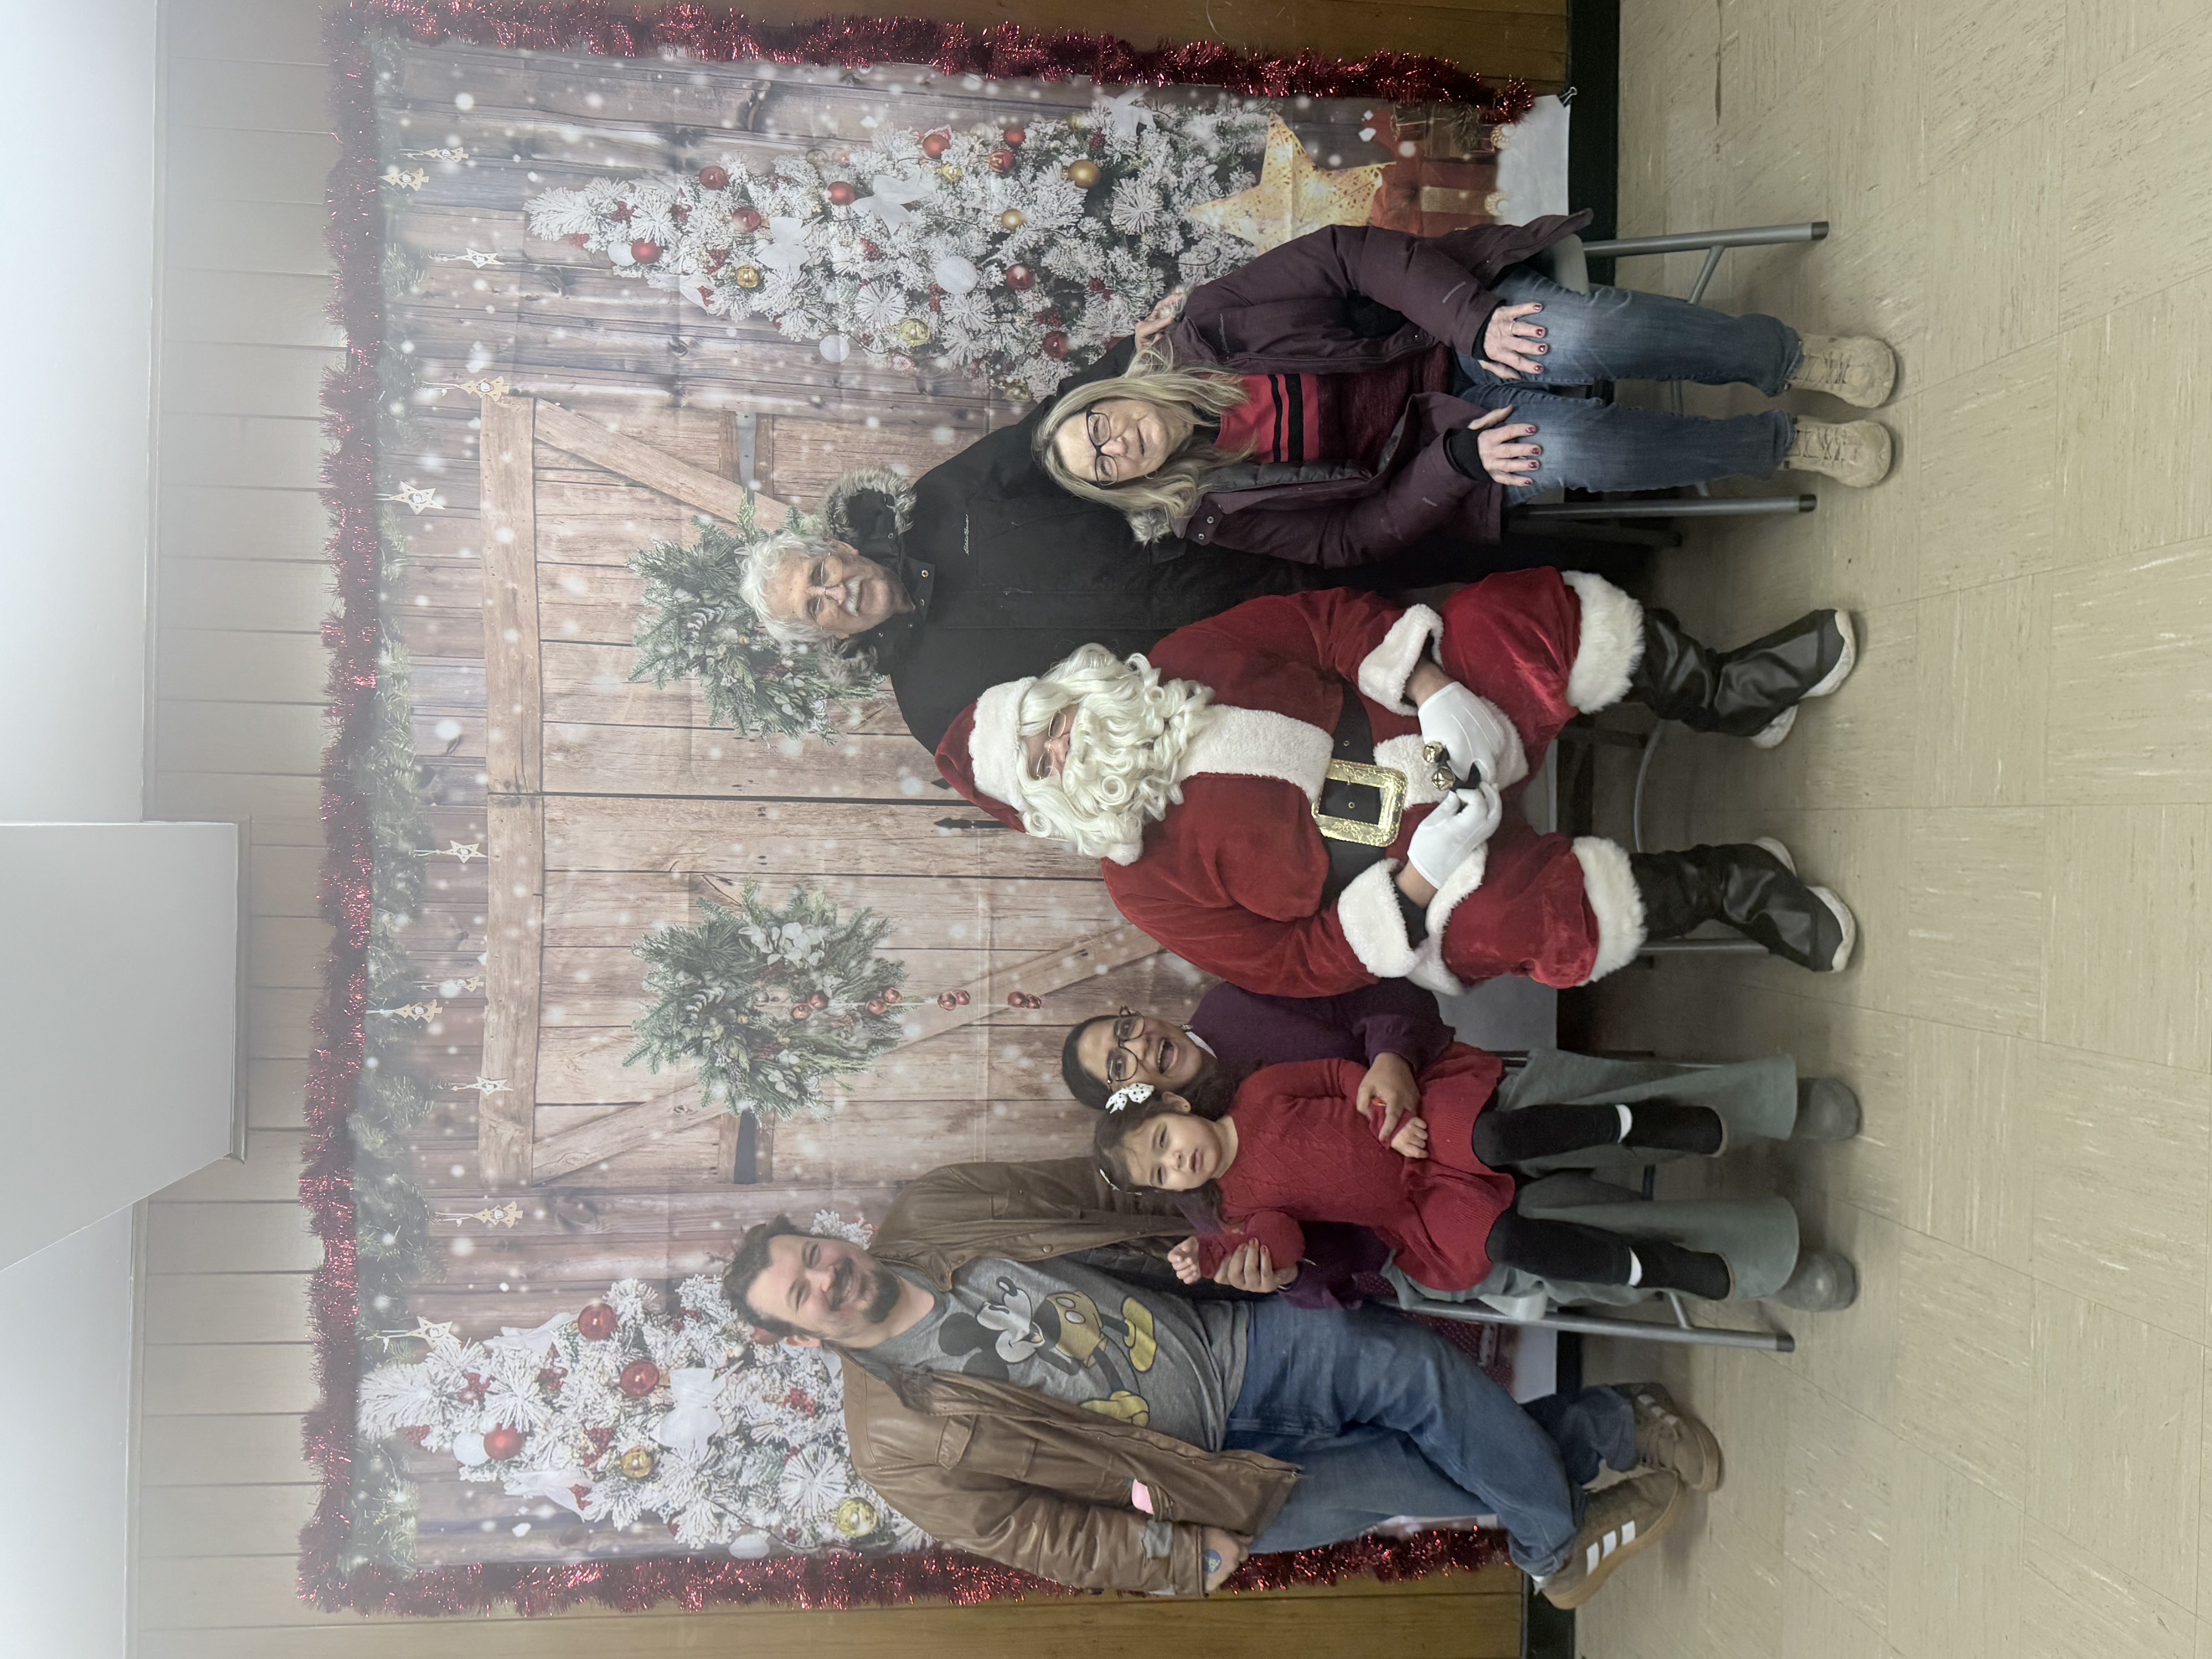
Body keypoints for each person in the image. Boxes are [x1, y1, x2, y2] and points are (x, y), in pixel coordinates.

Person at [723, 1158, 1724, 1607]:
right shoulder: (890, 1441)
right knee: (1429, 1484)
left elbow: (1097, 1190)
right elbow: (1033, 1532)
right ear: (800, 1335)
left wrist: (1224, 1230)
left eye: (810, 1253)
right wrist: (1170, 1556)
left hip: (1229, 1333)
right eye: (802, 1294)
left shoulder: (933, 1209)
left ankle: (1556, 1549)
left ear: (826, 1234)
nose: (826, 1276)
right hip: (1202, 1479)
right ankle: (1611, 1428)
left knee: (1419, 1373)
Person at [933, 572, 1859, 1000]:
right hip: (1418, 877)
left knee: (1506, 619)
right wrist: (1422, 876)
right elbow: (1292, 968)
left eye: (1048, 720)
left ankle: (1726, 693)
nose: (1064, 743)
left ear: (1066, 689)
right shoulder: (1142, 884)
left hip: (1430, 726)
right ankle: (1735, 884)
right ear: (1048, 808)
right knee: (1515, 924)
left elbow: (1326, 623)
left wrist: (1439, 691)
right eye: (1043, 763)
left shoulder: (1184, 660)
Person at [733, 318, 1515, 750]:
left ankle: (1596, 536)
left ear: (835, 547)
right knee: (1445, 666)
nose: (836, 592)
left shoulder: (946, 500)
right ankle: (1553, 677)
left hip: (1240, 537)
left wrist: (1133, 354)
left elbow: (1052, 431)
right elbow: (1047, 768)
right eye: (818, 608)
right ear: (824, 637)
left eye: (819, 574)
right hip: (1235, 667)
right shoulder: (932, 704)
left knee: (1463, 539)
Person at [1033, 219, 1896, 568]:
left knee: (1583, 336)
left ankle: (1783, 355)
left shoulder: (1214, 322)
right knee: (1575, 451)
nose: (1117, 444)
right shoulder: (1217, 511)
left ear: (1108, 396)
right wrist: (1455, 461)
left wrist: (1473, 319)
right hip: (1449, 441)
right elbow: (1349, 539)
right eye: (1103, 465)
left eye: (1097, 427)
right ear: (1124, 485)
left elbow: (1348, 255)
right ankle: (1782, 445)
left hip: (1444, 329)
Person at [1091, 1048, 1859, 1311]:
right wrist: (1231, 1262)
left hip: (1427, 1121)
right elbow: (1284, 1240)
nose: (1175, 1161)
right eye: (1160, 1173)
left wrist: (1389, 1100)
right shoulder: (1235, 1208)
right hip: (1418, 1211)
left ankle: (1684, 1118)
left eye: (1164, 1140)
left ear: (1174, 1105)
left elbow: (1336, 1074)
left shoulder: (1254, 1090)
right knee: (1513, 1246)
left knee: (1498, 1130)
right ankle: (1690, 1266)